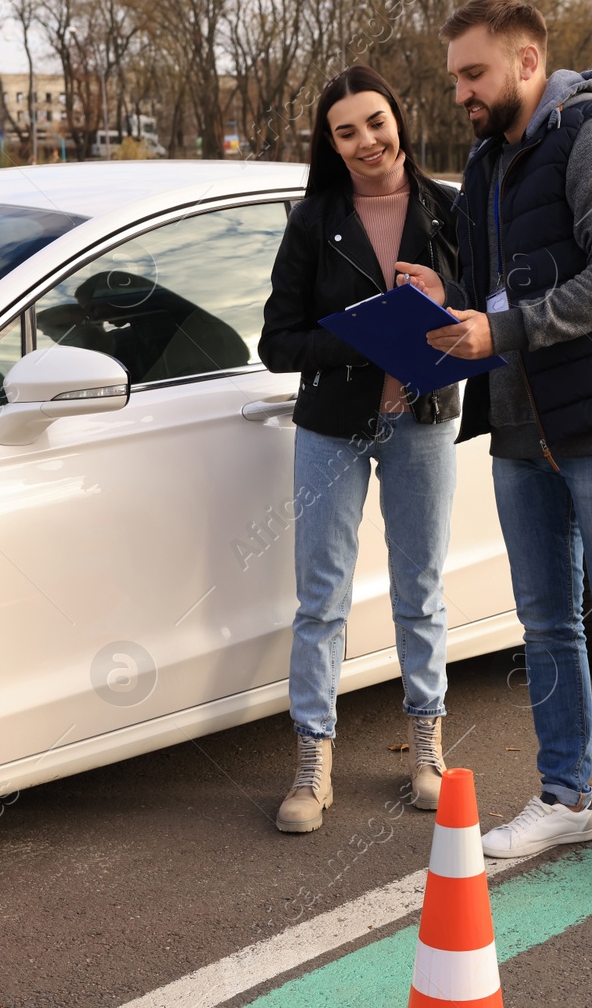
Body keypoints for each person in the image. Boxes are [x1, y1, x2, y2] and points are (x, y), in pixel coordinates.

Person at [398, 0, 592, 876]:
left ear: (527, 63)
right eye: (455, 75)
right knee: (545, 623)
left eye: (473, 72)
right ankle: (567, 797)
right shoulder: (489, 159)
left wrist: (503, 330)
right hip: (524, 424)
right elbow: (502, 286)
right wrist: (445, 287)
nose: (460, 91)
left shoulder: (590, 136)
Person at [258, 66, 462, 834]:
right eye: (347, 130)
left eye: (375, 121)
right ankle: (314, 761)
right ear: (331, 143)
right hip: (333, 425)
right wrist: (355, 331)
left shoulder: (450, 208)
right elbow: (277, 341)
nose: (367, 140)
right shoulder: (313, 220)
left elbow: (490, 309)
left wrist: (444, 295)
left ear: (398, 119)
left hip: (426, 415)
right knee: (322, 598)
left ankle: (425, 748)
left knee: (422, 586)